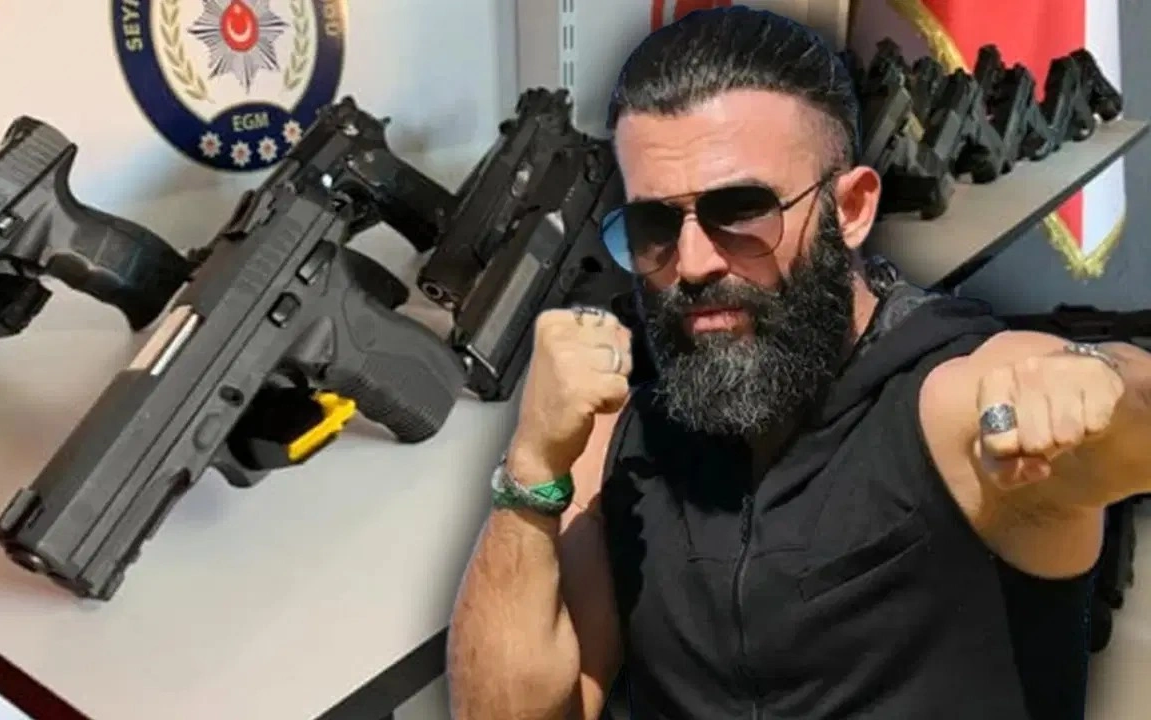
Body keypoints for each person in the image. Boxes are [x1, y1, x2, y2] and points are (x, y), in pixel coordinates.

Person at [445, 7, 1151, 720]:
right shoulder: (623, 433)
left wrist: (1099, 382)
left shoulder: (948, 406)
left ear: (853, 208)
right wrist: (531, 469)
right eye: (654, 224)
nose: (692, 262)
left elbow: (1113, 419)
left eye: (741, 211)